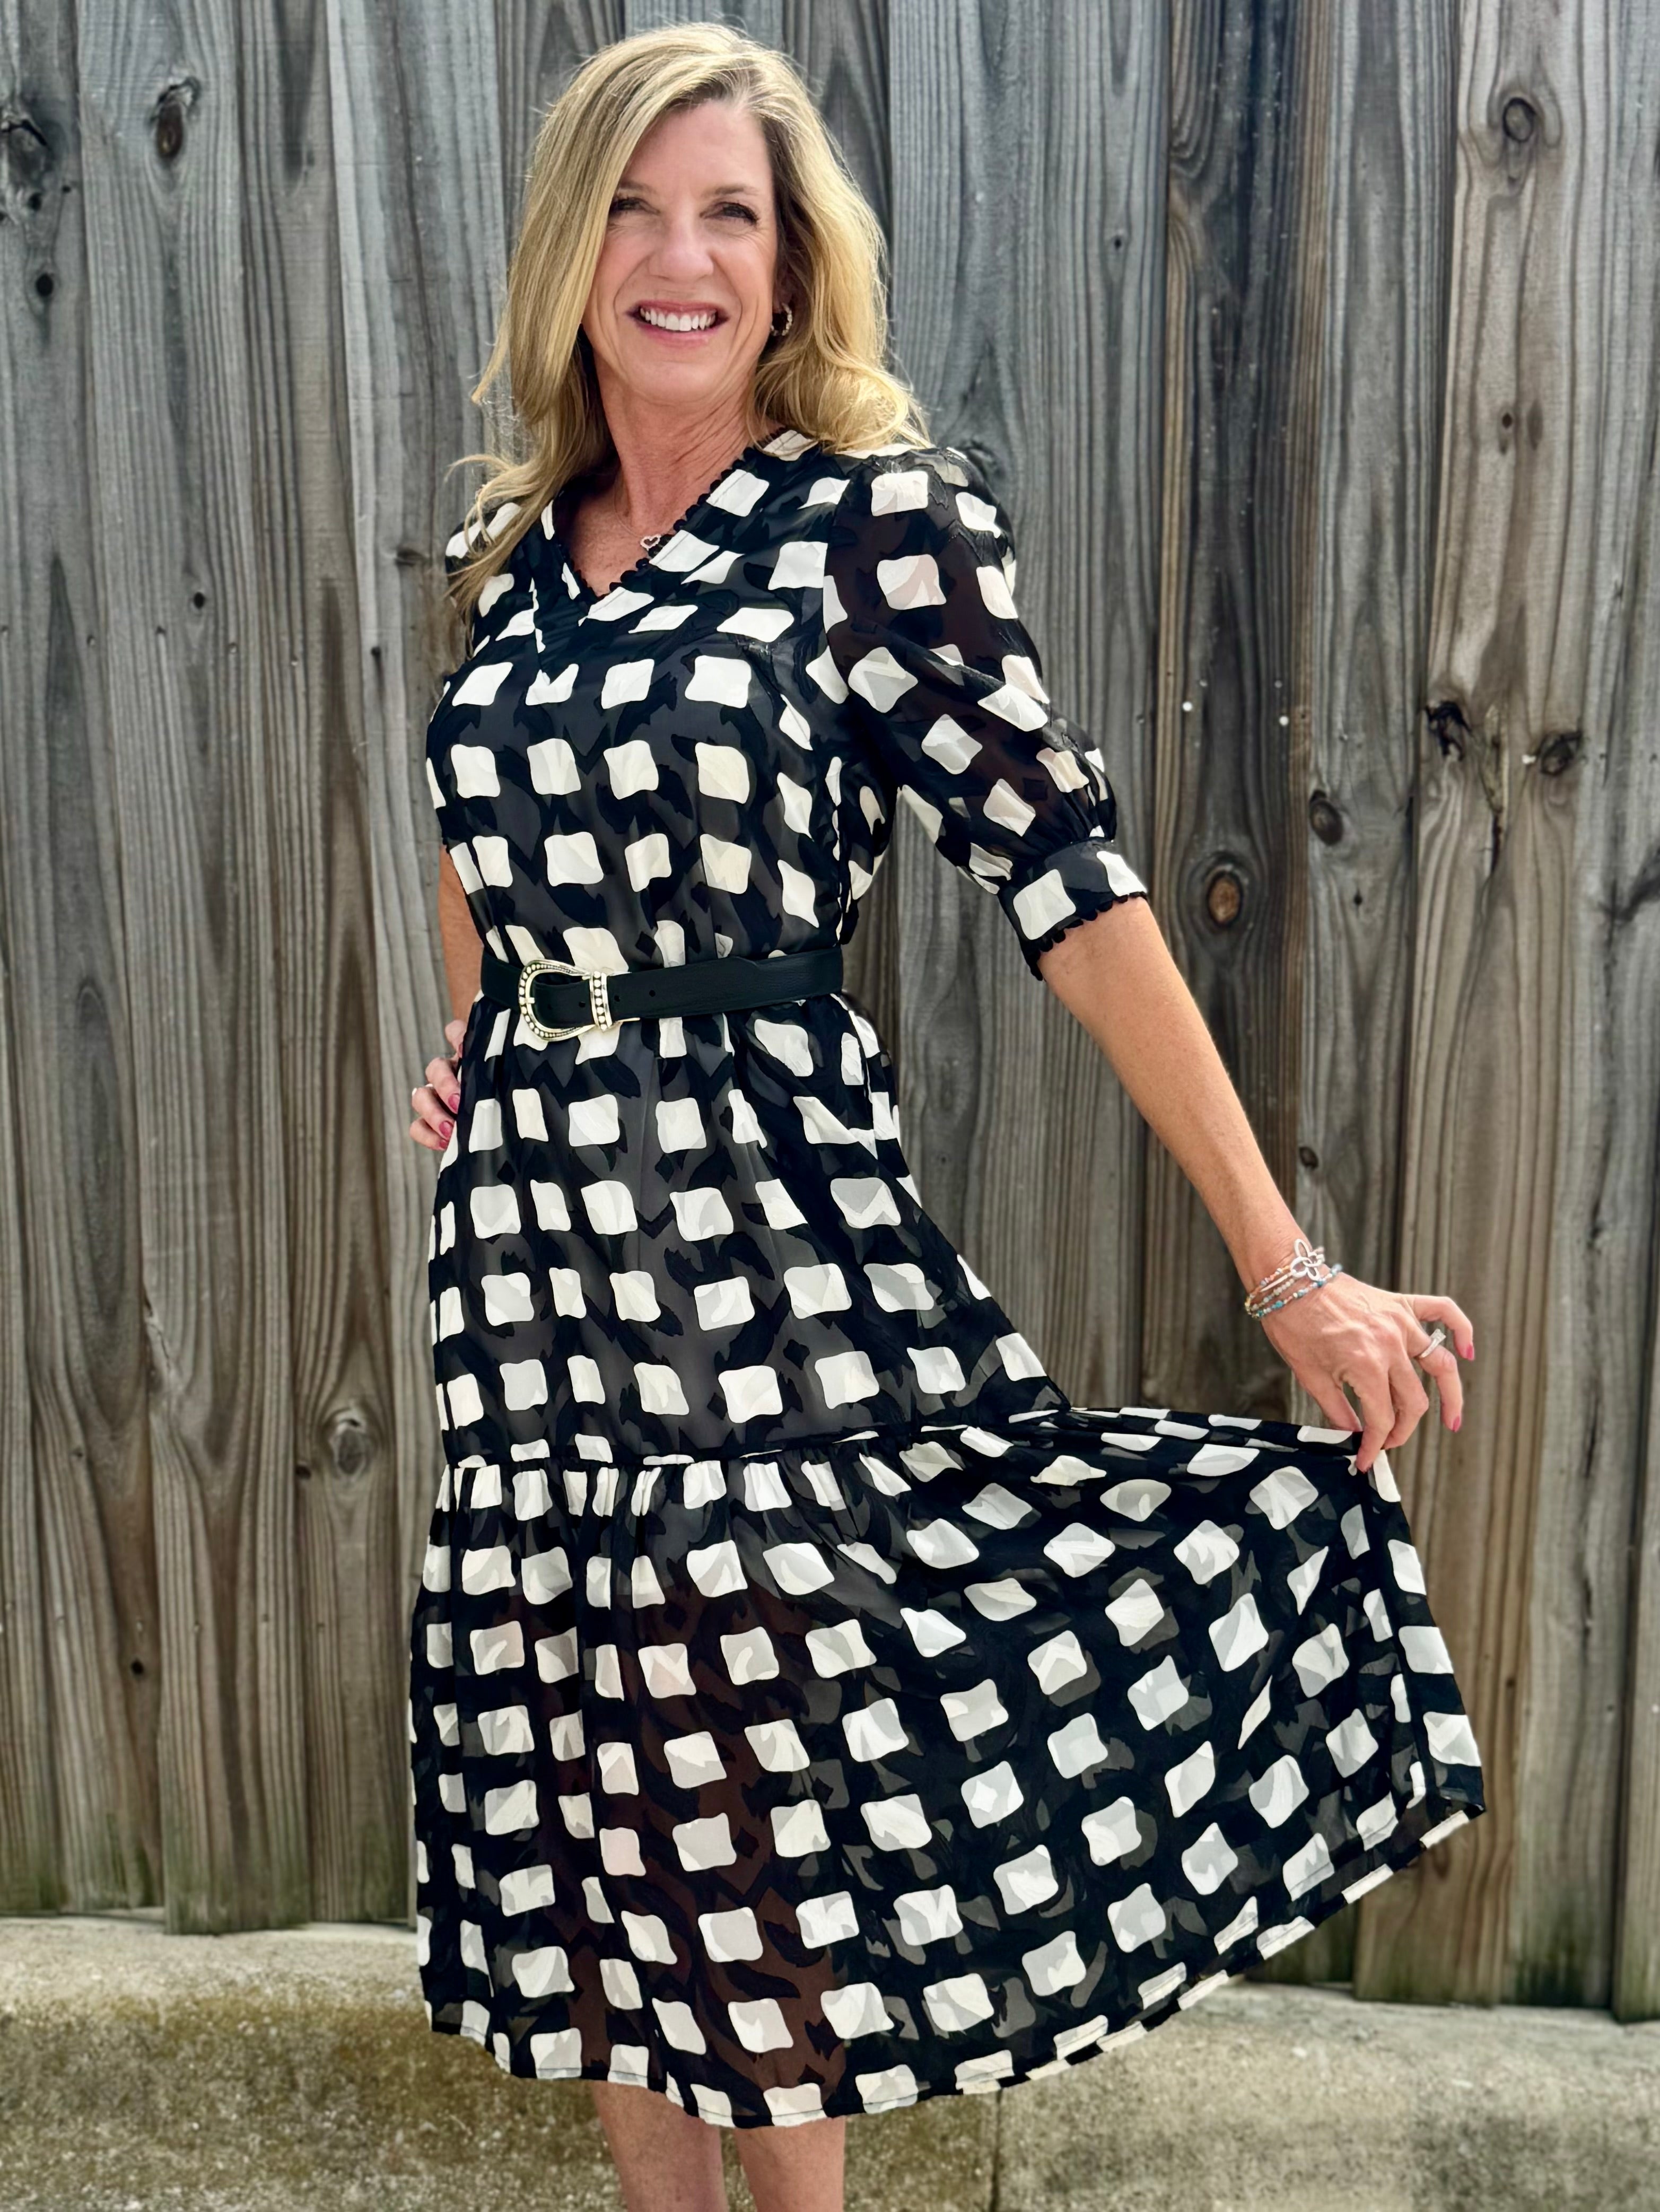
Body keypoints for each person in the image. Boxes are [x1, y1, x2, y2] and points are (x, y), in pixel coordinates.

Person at [404, 24, 1484, 2212]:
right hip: (528, 1263)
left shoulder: (870, 527)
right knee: (595, 1790)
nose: (681, 259)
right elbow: (481, 839)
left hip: (757, 1240)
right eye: (636, 209)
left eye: (732, 215)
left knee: (732, 1788)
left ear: (794, 266)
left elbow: (1069, 886)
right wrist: (487, 1029)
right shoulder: (513, 548)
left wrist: (1282, 1263)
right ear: (571, 249)